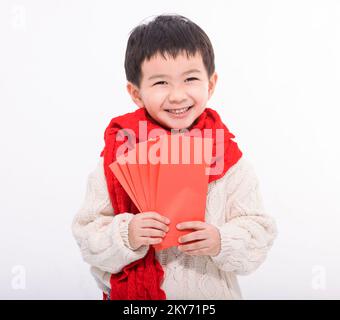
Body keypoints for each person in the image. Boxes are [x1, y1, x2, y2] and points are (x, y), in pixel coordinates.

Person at [71, 14, 278, 300]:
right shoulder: (119, 154)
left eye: (191, 79)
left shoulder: (229, 158)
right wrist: (127, 234)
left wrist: (221, 241)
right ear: (135, 93)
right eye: (161, 83)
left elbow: (259, 232)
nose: (178, 95)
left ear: (211, 83)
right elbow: (87, 234)